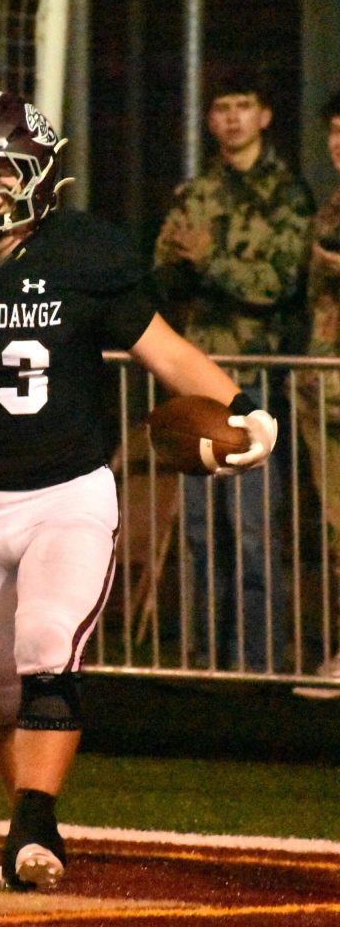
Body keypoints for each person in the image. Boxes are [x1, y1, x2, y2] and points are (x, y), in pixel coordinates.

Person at [0, 91, 277, 891]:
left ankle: (35, 827)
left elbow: (167, 352)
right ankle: (25, 825)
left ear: (39, 177)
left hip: (64, 492)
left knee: (49, 644)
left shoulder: (86, 253)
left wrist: (246, 408)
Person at [153, 68, 313, 672]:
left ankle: (257, 660)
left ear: (265, 116)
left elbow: (278, 284)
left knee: (251, 529)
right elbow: (162, 275)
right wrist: (178, 265)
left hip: (254, 379)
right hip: (195, 381)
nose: (232, 118)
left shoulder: (289, 195)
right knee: (198, 530)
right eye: (221, 107)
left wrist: (209, 260)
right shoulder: (195, 193)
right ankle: (201, 658)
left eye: (244, 105)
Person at [294, 89, 340, 698]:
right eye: (333, 132)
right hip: (323, 387)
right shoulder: (327, 208)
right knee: (335, 528)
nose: (337, 144)